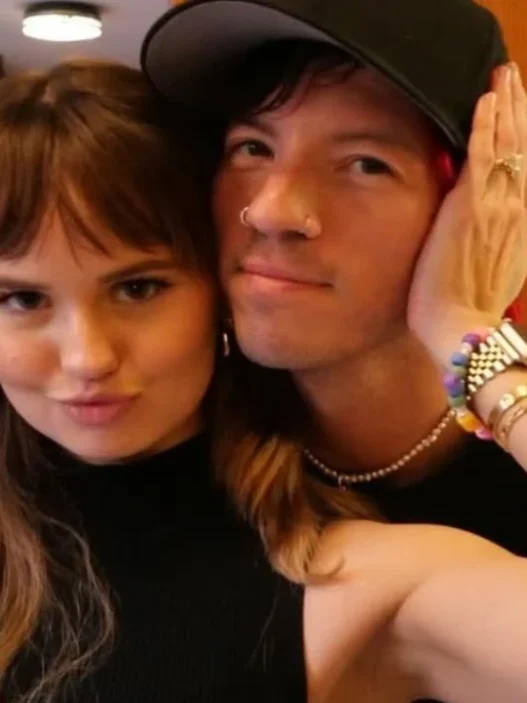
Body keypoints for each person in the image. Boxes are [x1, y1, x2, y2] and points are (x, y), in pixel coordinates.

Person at [3, 58, 527, 703]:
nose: (88, 357)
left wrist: (464, 331)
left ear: (219, 288)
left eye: (138, 288)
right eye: (22, 299)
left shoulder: (346, 578)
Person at [141, 0, 527, 559]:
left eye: (365, 163)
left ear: (482, 205)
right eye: (253, 148)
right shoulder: (161, 428)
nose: (270, 211)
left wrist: (459, 327)